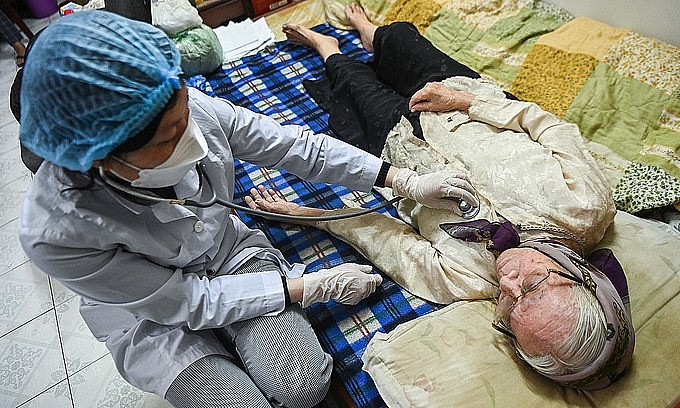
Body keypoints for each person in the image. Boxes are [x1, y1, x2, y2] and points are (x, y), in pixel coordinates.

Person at [17, 10, 481, 408]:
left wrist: (402, 179)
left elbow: (298, 148)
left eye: (185, 118)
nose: (193, 140)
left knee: (301, 388)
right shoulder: (56, 233)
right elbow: (184, 303)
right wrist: (307, 286)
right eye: (168, 140)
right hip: (149, 315)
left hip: (226, 255)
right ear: (102, 157)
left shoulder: (187, 107)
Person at [246, 4, 634, 390]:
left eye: (510, 307)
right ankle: (367, 30)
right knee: (397, 38)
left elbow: (384, 239)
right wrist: (466, 102)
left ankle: (325, 45)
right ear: (583, 276)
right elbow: (549, 127)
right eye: (531, 286)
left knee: (349, 78)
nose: (507, 281)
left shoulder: (463, 280)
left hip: (398, 145)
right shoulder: (587, 207)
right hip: (459, 103)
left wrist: (304, 212)